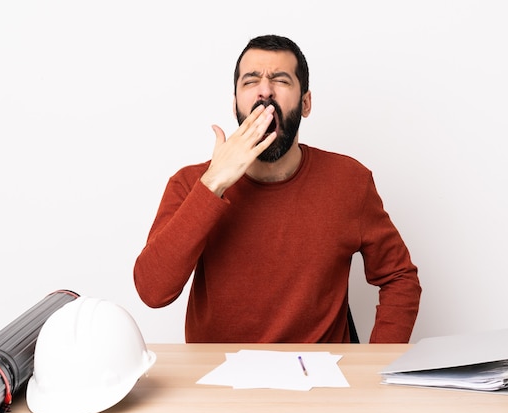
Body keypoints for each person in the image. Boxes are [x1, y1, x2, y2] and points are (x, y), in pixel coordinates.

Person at [133, 34, 421, 343]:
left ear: (306, 103)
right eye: (250, 81)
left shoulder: (350, 181)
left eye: (281, 80)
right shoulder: (191, 184)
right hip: (218, 382)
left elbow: (400, 277)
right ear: (235, 106)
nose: (265, 92)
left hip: (320, 381)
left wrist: (376, 366)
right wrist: (213, 183)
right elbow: (153, 291)